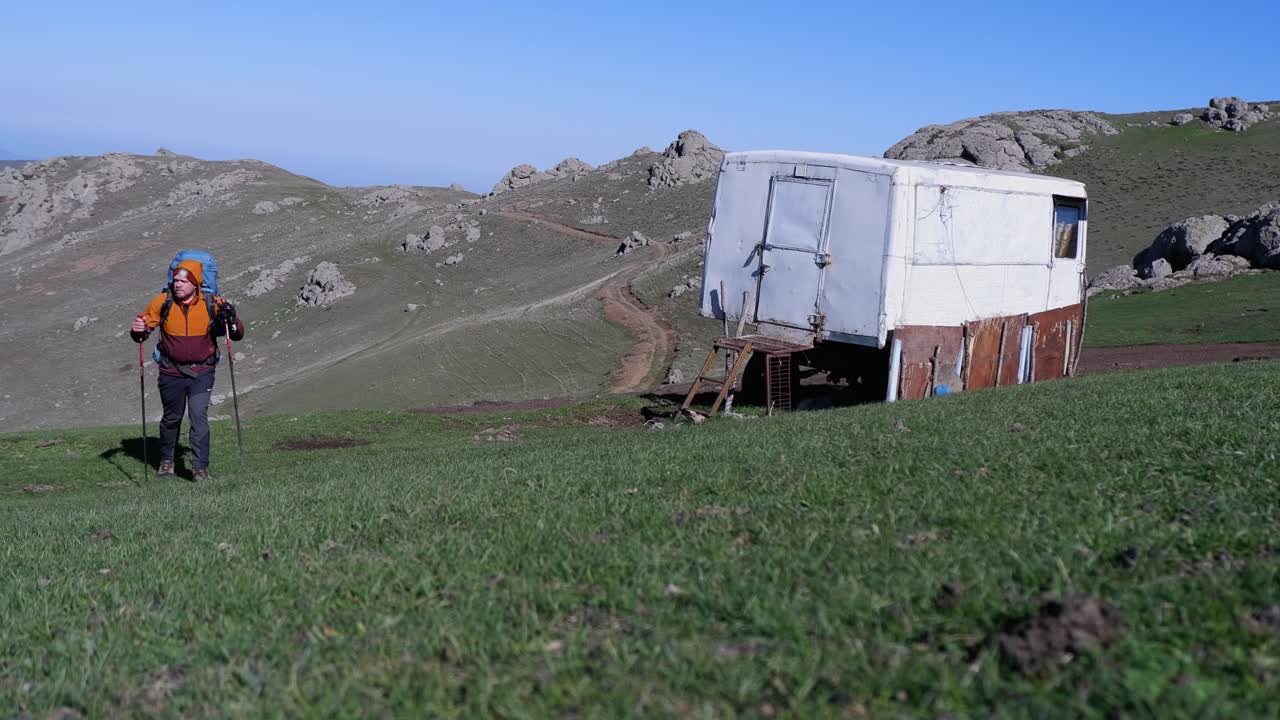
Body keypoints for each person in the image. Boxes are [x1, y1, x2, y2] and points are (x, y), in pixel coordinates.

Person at [130, 259, 244, 481]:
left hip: (202, 372)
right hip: (170, 372)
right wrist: (137, 331)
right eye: (175, 280)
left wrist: (232, 319)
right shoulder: (162, 302)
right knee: (171, 418)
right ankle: (166, 462)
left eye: (183, 281)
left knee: (198, 415)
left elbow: (236, 333)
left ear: (196, 284)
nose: (178, 285)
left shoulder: (213, 303)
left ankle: (200, 469)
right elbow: (142, 333)